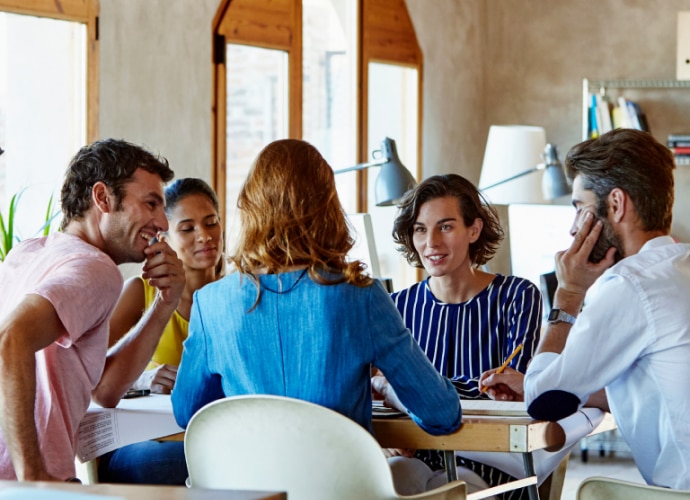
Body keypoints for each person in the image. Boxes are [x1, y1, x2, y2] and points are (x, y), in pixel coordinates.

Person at [172, 139, 462, 481]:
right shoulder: (361, 294)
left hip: (247, 490)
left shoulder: (211, 304)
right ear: (328, 207)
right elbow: (440, 413)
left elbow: (187, 411)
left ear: (251, 205)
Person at [514, 128, 690, 490]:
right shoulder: (678, 267)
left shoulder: (628, 284)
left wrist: (568, 294)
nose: (573, 229)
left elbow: (542, 402)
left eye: (580, 208)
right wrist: (562, 381)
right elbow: (656, 384)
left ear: (615, 204)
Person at [0, 138, 182, 481]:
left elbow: (105, 390)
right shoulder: (96, 269)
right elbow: (11, 338)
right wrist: (32, 475)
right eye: (150, 203)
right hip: (30, 484)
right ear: (102, 198)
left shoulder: (26, 254)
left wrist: (164, 304)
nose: (162, 223)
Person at [374, 173, 542, 497]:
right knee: (388, 480)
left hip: (490, 463)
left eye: (446, 227)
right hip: (417, 453)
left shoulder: (517, 296)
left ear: (474, 230)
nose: (431, 243)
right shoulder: (396, 306)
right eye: (421, 229)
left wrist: (401, 390)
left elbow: (504, 394)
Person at [97, 178, 223, 484]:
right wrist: (142, 379)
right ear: (163, 237)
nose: (205, 236)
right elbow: (90, 373)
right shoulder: (140, 294)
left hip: (215, 437)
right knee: (159, 462)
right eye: (188, 228)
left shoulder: (238, 295)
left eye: (211, 223)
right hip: (149, 444)